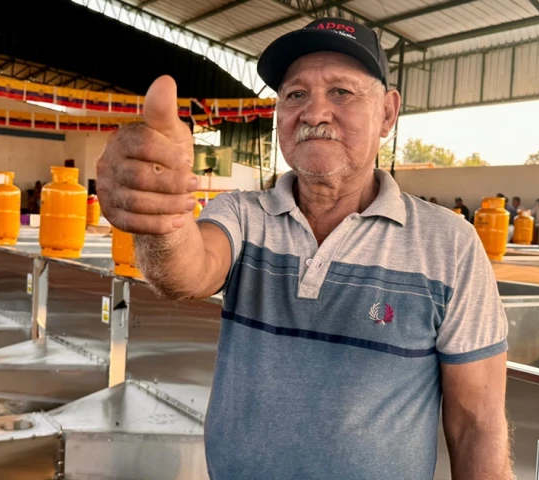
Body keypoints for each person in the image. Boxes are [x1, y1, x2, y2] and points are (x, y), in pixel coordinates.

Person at [96, 18, 509, 479]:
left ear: (387, 113)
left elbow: (476, 426)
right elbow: (187, 270)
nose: (314, 114)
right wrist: (163, 222)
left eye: (341, 92)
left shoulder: (448, 244)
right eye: (295, 95)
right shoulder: (244, 216)